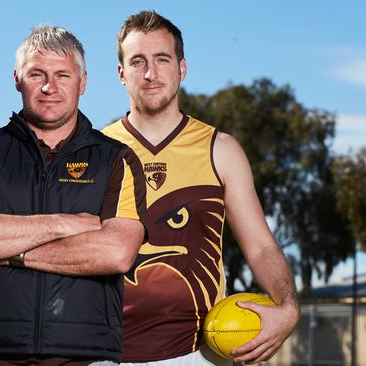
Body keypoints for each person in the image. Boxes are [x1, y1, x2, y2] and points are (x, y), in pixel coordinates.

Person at [102, 10, 300, 365]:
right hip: (102, 351)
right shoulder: (96, 150)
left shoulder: (221, 149)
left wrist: (288, 306)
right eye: (137, 62)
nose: (150, 73)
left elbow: (260, 246)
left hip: (197, 354)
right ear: (121, 74)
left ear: (182, 68)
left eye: (162, 59)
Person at [0, 25, 147, 365]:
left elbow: (116, 252)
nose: (50, 87)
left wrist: (8, 250)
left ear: (82, 82)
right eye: (37, 74)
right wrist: (63, 224)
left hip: (88, 355)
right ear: (17, 79)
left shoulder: (116, 159)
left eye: (62, 75)